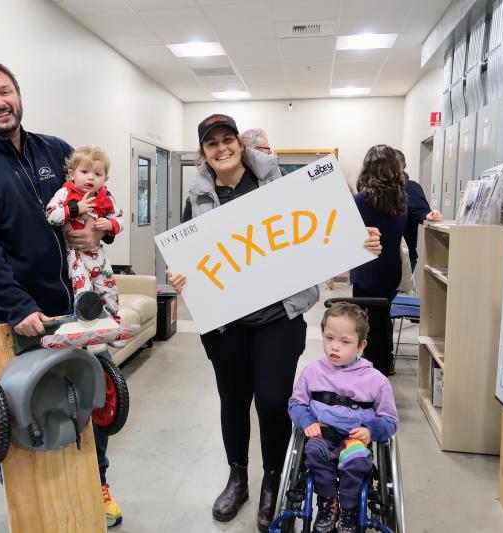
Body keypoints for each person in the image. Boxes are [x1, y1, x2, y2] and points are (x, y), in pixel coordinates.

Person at [166, 113, 382, 532]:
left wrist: (361, 238)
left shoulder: (280, 184)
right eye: (212, 144)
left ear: (241, 145)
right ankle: (237, 477)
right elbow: (187, 254)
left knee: (270, 401)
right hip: (225, 322)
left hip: (277, 317)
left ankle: (272, 481)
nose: (222, 148)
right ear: (203, 154)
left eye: (228, 139)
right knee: (232, 399)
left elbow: (323, 228)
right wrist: (180, 275)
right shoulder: (197, 197)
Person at [0, 63, 122, 527]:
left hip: (72, 306)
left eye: (5, 91)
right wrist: (17, 305)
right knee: (21, 414)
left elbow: (93, 201)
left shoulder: (56, 150)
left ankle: (95, 486)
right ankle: (28, 510)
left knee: (84, 398)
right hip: (13, 318)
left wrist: (99, 233)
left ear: (19, 95)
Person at [288, 303, 398, 533]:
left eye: (345, 342)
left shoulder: (376, 381)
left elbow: (390, 421)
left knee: (357, 461)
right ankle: (328, 503)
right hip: (323, 434)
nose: (334, 347)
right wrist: (307, 422)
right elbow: (296, 403)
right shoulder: (313, 372)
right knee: (313, 451)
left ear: (361, 345)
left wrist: (371, 430)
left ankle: (349, 508)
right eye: (329, 338)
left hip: (356, 439)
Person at [46, 145, 123, 320]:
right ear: (72, 174)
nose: (90, 177)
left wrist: (110, 225)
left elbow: (119, 218)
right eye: (85, 172)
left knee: (109, 289)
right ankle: (89, 327)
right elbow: (51, 215)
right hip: (75, 255)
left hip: (97, 252)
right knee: (84, 292)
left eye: (97, 174)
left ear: (105, 179)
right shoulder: (65, 193)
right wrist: (74, 209)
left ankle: (112, 324)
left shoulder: (105, 197)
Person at [350, 145, 408, 375]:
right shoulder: (402, 199)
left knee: (365, 325)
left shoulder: (364, 200)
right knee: (382, 320)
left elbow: (348, 234)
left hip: (367, 272)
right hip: (391, 271)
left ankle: (369, 372)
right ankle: (383, 366)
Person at [394, 149, 441, 272]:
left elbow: (421, 211)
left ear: (401, 167)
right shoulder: (376, 189)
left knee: (394, 291)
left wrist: (429, 215)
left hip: (401, 257)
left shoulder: (408, 187)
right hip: (378, 255)